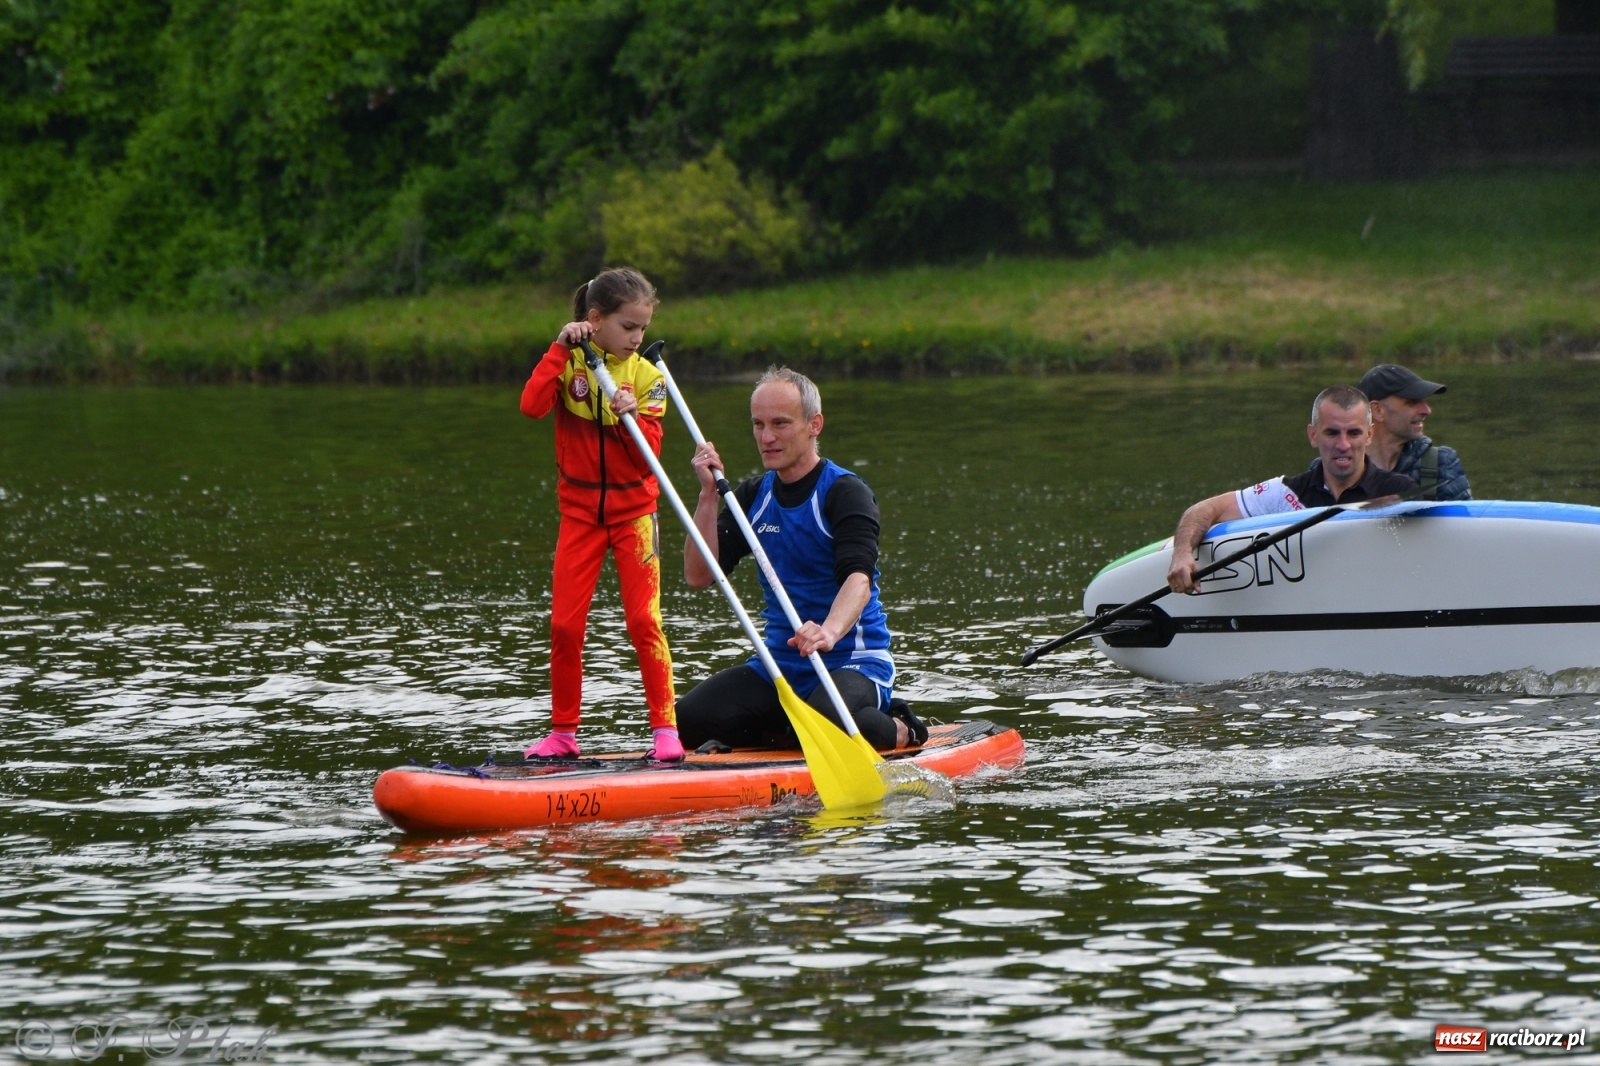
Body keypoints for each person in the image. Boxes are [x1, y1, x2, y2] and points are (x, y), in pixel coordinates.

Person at [677, 366, 926, 752]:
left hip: (852, 661)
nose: (767, 437)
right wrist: (708, 496)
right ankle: (794, 734)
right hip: (781, 664)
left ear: (815, 424)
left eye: (780, 423)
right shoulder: (752, 497)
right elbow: (698, 575)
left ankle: (901, 727)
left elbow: (858, 580)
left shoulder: (844, 492)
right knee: (688, 722)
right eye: (758, 425)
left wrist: (827, 631)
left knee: (824, 720)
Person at [518, 267, 681, 762]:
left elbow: (646, 459)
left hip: (634, 515)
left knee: (642, 621)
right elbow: (530, 407)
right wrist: (557, 349)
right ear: (595, 320)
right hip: (580, 515)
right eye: (628, 327)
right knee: (565, 626)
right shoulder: (568, 364)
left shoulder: (650, 378)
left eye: (642, 328)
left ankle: (666, 733)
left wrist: (627, 417)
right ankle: (564, 733)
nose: (637, 337)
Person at [1167, 384, 1417, 595]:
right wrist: (1181, 553)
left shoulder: (1400, 492)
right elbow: (1205, 509)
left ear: (1369, 435)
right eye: (1331, 433)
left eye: (1354, 433)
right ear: (1313, 435)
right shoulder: (1284, 493)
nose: (1343, 445)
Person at [1358, 363, 1470, 500]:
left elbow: (1465, 520)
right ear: (1377, 410)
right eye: (1411, 402)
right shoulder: (1335, 469)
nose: (1427, 410)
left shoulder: (1441, 463)